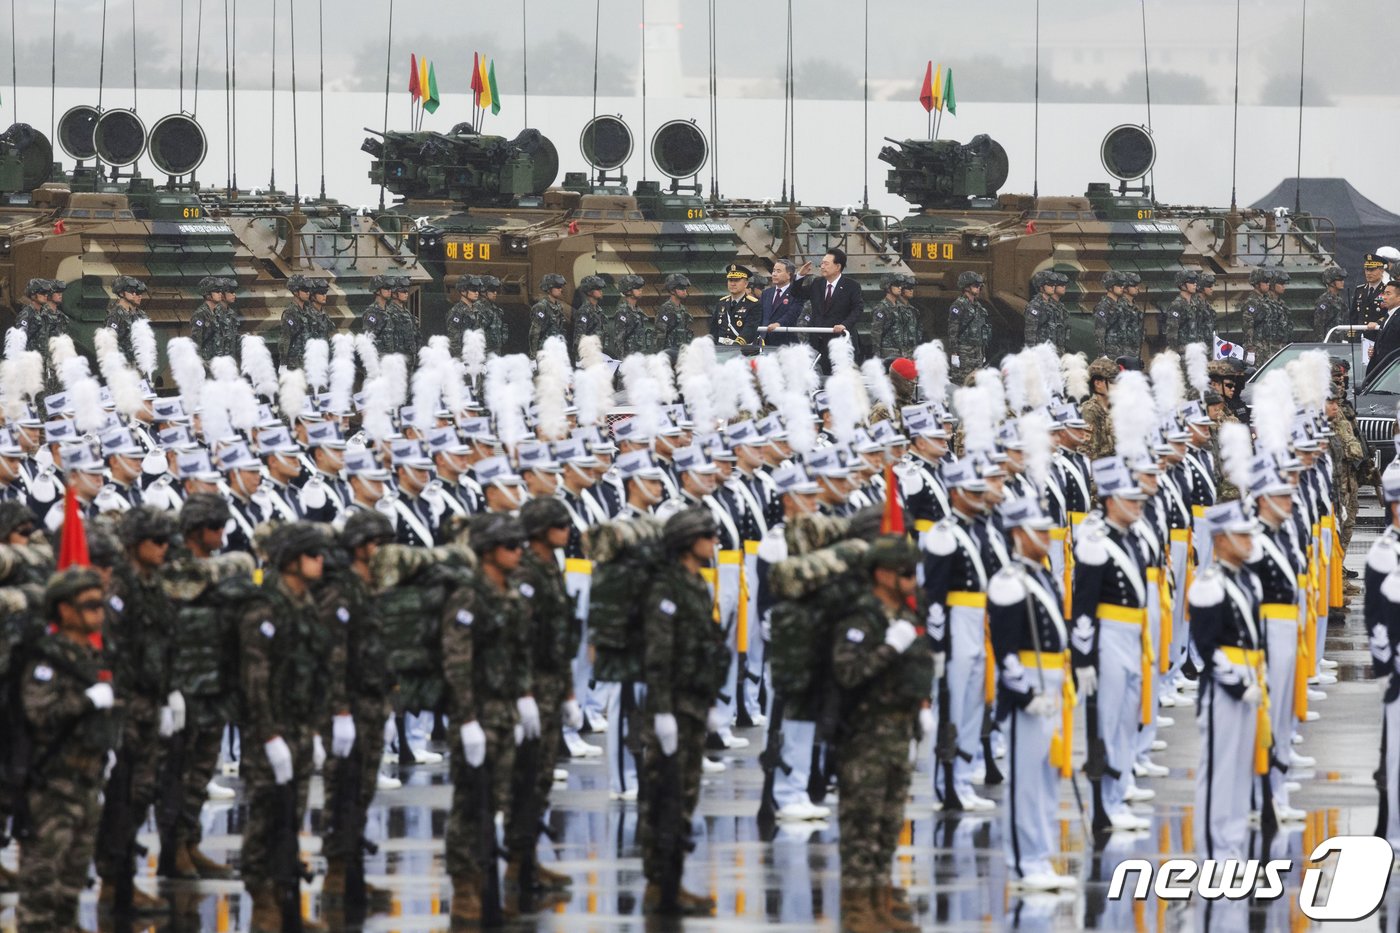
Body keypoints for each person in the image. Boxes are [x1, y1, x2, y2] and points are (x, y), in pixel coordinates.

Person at [238, 522, 338, 930]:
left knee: (291, 818)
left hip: (298, 729)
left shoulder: (305, 604)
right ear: (293, 561)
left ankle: (287, 906)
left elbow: (314, 671)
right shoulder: (266, 607)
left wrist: (314, 731)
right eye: (314, 555)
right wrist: (268, 735)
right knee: (265, 819)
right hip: (271, 730)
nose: (322, 562)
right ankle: (263, 904)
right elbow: (254, 678)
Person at [832, 535, 931, 933]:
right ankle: (856, 911)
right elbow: (849, 673)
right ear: (883, 575)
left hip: (898, 733)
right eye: (905, 572)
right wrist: (889, 647)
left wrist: (923, 705)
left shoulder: (904, 615)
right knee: (862, 826)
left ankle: (878, 903)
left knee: (889, 824)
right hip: (866, 737)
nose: (912, 579)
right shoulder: (862, 617)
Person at [16, 568, 118, 932]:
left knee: (71, 887)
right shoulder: (47, 659)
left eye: (100, 605)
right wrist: (86, 703)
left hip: (87, 781)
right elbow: (39, 712)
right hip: (53, 787)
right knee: (42, 890)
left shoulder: (90, 655)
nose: (98, 613)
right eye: (89, 605)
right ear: (64, 609)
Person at [442, 513, 533, 925]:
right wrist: (465, 719)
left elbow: (519, 652)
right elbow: (457, 661)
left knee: (495, 801)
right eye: (511, 547)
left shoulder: (510, 592)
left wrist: (525, 696)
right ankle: (465, 887)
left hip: (504, 711)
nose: (519, 553)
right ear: (489, 552)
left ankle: (486, 884)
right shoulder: (469, 595)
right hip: (476, 713)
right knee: (468, 805)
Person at [639, 508, 728, 916]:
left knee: (685, 796)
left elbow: (704, 649)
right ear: (687, 541)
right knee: (663, 797)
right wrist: (660, 710)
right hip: (670, 706)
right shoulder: (667, 587)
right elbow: (658, 653)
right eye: (707, 536)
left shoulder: (694, 584)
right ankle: (660, 885)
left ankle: (673, 882)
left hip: (692, 704)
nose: (713, 542)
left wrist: (709, 703)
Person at [987, 497, 1077, 890]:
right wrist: (1024, 695)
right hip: (1028, 686)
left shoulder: (1040, 575)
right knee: (1025, 780)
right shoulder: (1010, 581)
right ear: (1019, 535)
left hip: (1052, 684)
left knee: (1044, 778)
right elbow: (1005, 649)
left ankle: (1040, 855)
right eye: (1039, 531)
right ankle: (1024, 863)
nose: (1046, 536)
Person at [96, 506, 180, 912]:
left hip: (150, 702)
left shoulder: (153, 585)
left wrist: (168, 695)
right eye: (157, 542)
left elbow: (164, 642)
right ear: (134, 544)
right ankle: (114, 884)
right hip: (126, 704)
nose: (164, 549)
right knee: (122, 794)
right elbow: (112, 650)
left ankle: (123, 877)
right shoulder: (120, 589)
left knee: (143, 791)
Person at [158, 493, 244, 882]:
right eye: (215, 528)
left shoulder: (207, 565)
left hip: (213, 681)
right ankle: (173, 848)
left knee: (200, 770)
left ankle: (190, 843)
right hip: (184, 684)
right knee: (177, 770)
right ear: (196, 530)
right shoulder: (176, 569)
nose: (222, 535)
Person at [319, 511, 396, 910]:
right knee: (341, 792)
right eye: (381, 543)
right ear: (364, 547)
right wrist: (339, 710)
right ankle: (337, 875)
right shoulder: (341, 591)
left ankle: (354, 873)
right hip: (347, 707)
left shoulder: (373, 587)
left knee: (362, 791)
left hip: (372, 702)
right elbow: (332, 656)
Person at [1070, 456, 1151, 833]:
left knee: (1125, 719)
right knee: (1107, 721)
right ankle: (1104, 803)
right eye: (1130, 499)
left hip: (1132, 635)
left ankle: (1118, 796)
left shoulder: (1129, 536)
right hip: (1108, 638)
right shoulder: (1096, 542)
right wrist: (1083, 657)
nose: (1138, 505)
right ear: (1109, 501)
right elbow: (1082, 606)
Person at [1189, 501, 1264, 862]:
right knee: (1219, 773)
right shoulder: (1209, 585)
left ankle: (1231, 848)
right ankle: (1212, 853)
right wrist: (1236, 684)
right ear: (1220, 540)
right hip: (1223, 691)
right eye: (1242, 535)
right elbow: (1207, 648)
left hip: (1248, 682)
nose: (1250, 542)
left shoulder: (1246, 579)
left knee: (1238, 774)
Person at [799, 248, 864, 370]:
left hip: (840, 343)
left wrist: (844, 325)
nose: (822, 266)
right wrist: (800, 276)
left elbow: (857, 309)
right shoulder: (817, 283)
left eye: (826, 263)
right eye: (822, 263)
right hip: (819, 343)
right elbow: (797, 293)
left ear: (838, 266)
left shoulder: (852, 286)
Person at [946, 271, 991, 384]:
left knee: (977, 383)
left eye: (980, 286)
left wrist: (982, 352)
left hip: (977, 351)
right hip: (964, 351)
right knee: (962, 382)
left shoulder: (978, 306)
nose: (979, 288)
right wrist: (954, 353)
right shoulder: (959, 305)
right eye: (976, 285)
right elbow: (953, 331)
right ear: (966, 287)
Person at [760, 259, 812, 344]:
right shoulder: (766, 293)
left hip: (785, 341)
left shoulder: (796, 292)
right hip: (764, 341)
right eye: (773, 271)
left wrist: (779, 324)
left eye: (778, 271)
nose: (774, 274)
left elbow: (793, 313)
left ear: (789, 275)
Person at [870, 273, 919, 362]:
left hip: (902, 352)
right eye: (896, 285)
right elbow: (876, 333)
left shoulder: (901, 308)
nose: (900, 288)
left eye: (900, 285)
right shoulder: (881, 308)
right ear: (888, 287)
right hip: (888, 352)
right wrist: (876, 355)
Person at [711, 263, 761, 349]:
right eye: (730, 280)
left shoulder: (753, 304)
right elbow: (714, 329)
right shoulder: (722, 303)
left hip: (740, 349)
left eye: (737, 280)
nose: (733, 284)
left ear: (745, 284)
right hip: (720, 348)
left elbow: (750, 329)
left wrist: (736, 346)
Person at [603, 274, 650, 359]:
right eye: (637, 288)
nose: (641, 290)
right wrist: (621, 362)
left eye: (640, 288)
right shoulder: (623, 312)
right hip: (627, 359)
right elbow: (619, 340)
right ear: (628, 291)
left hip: (637, 356)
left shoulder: (638, 311)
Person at [105, 276, 149, 366]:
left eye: (139, 292)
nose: (138, 296)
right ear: (121, 293)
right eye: (133, 292)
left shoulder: (141, 315)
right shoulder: (115, 316)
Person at [279, 274, 316, 369]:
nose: (308, 293)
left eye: (309, 290)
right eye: (305, 290)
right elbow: (285, 339)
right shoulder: (290, 313)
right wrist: (283, 363)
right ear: (295, 292)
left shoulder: (309, 311)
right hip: (295, 363)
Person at [529, 274, 571, 357]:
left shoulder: (558, 306)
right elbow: (534, 333)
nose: (560, 289)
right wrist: (533, 356)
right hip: (544, 351)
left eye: (561, 287)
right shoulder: (541, 307)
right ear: (549, 289)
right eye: (557, 287)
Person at [655, 273, 695, 358]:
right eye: (681, 288)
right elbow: (660, 337)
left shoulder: (683, 310)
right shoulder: (665, 310)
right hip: (668, 356)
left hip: (682, 355)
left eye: (685, 288)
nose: (684, 291)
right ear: (672, 290)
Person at [1161, 270, 1198, 353]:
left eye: (1195, 281)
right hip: (1182, 351)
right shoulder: (1176, 305)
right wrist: (1174, 352)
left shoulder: (1193, 304)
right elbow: (1171, 332)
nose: (1195, 284)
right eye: (1191, 282)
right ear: (1182, 285)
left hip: (1193, 350)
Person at [572, 275, 608, 359]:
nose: (601, 291)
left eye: (601, 289)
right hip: (587, 357)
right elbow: (579, 337)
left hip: (597, 354)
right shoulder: (584, 312)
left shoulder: (599, 310)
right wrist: (579, 359)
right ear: (589, 292)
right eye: (597, 289)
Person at [446, 275, 482, 359]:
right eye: (473, 289)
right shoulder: (456, 312)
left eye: (477, 289)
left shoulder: (476, 310)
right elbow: (454, 341)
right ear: (463, 291)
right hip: (463, 359)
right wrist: (460, 361)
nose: (477, 292)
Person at [190, 277, 226, 360]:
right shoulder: (200, 315)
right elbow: (196, 340)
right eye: (217, 291)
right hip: (206, 359)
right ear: (208, 295)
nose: (220, 293)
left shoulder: (218, 311)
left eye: (220, 291)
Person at [1369, 280, 1400, 368]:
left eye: (1388, 294)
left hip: (1394, 370)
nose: (1384, 297)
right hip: (1382, 368)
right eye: (1384, 294)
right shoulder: (1389, 315)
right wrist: (1375, 351)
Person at [1313, 266, 1349, 340]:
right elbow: (1319, 326)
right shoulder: (1324, 301)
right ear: (1331, 282)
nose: (1342, 282)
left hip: (1339, 342)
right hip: (1328, 343)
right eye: (1339, 279)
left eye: (1342, 279)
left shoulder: (1340, 301)